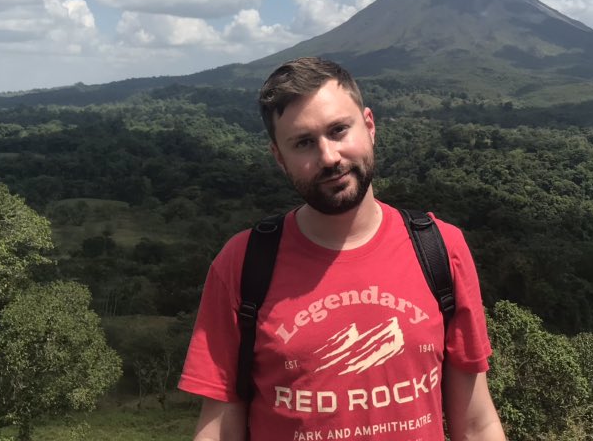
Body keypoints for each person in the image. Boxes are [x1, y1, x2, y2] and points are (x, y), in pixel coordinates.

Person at [179, 57, 506, 440]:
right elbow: (219, 428)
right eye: (303, 143)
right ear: (279, 157)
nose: (329, 157)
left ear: (369, 126)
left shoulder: (439, 249)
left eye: (338, 130)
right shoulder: (242, 264)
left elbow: (476, 424)